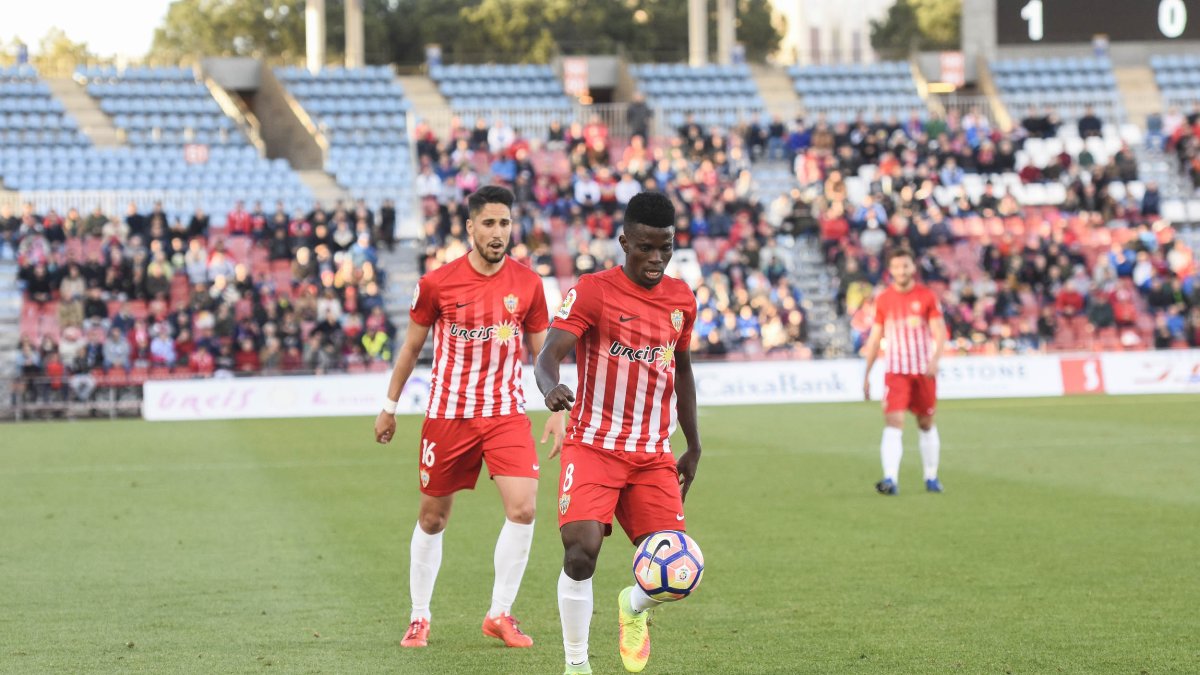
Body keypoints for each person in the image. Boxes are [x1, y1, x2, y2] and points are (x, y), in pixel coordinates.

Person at [373, 185, 564, 650]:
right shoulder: (438, 283)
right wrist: (390, 406)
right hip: (448, 415)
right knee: (434, 519)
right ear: (470, 228)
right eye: (489, 224)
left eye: (505, 223)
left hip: (504, 413)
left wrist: (555, 409)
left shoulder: (529, 284)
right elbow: (412, 348)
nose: (498, 233)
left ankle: (499, 613)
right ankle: (419, 616)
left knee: (523, 508)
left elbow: (543, 355)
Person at [535, 191, 702, 675]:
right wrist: (551, 389)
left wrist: (692, 444)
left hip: (652, 454)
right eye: (645, 248)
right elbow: (548, 355)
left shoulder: (681, 299)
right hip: (594, 446)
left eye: (665, 248)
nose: (655, 259)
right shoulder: (594, 291)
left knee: (676, 572)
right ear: (624, 240)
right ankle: (576, 664)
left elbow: (684, 372)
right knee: (581, 552)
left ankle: (632, 606)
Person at [861, 247, 947, 495]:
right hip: (896, 371)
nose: (901, 270)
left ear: (913, 268)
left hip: (923, 371)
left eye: (905, 266)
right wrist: (867, 374)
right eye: (897, 266)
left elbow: (939, 331)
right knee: (893, 421)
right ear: (891, 270)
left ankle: (931, 476)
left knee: (926, 423)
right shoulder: (884, 299)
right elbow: (876, 338)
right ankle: (890, 479)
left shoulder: (927, 296)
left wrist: (935, 359)